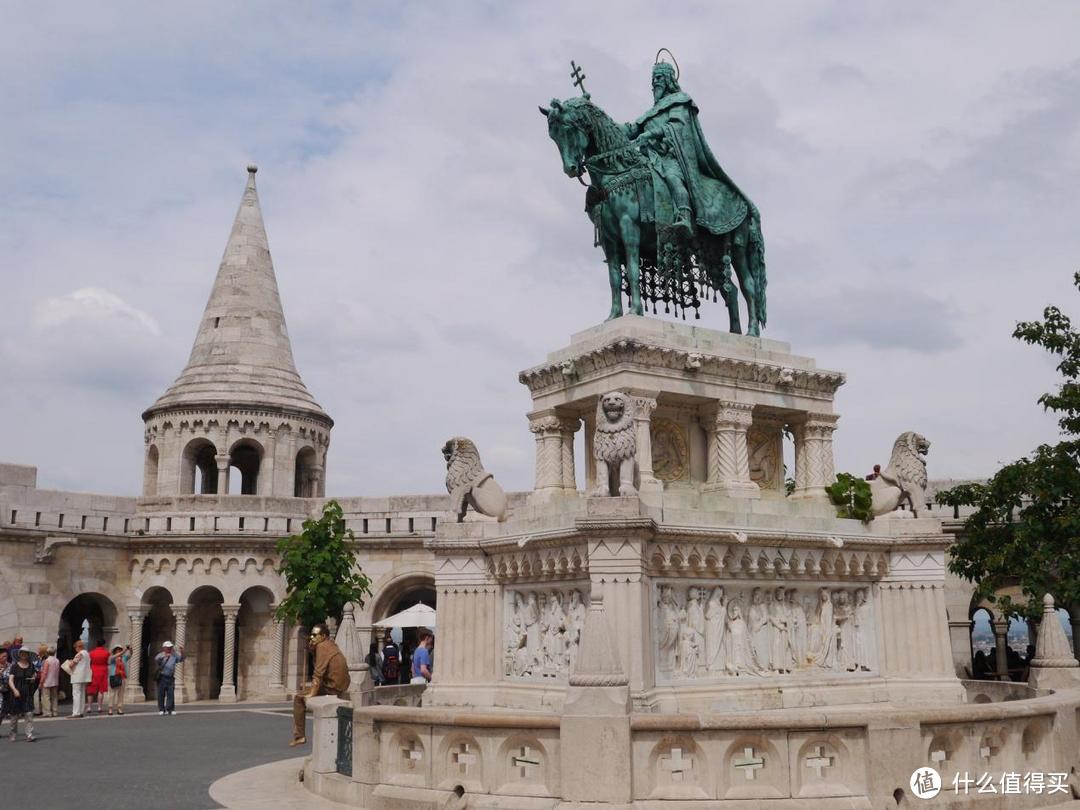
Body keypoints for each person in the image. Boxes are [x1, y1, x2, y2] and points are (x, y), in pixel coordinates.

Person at [290, 623, 349, 747]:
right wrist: (311, 649)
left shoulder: (322, 646)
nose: (312, 637)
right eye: (311, 635)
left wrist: (311, 693)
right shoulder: (330, 645)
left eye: (315, 635)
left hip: (333, 687)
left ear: (323, 636)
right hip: (340, 685)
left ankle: (299, 736)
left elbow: (318, 673)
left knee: (298, 699)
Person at [7, 648, 38, 742]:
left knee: (29, 714)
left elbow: (34, 676)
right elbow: (10, 680)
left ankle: (29, 734)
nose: (24, 654)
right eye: (22, 653)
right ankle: (13, 733)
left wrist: (33, 678)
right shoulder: (14, 666)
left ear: (28, 655)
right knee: (14, 716)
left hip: (27, 693)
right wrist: (14, 690)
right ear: (19, 654)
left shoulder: (31, 666)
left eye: (26, 653)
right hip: (16, 693)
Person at [153, 641, 184, 715]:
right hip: (162, 677)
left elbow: (181, 659)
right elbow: (156, 659)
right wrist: (165, 656)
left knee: (171, 693)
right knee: (161, 693)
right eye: (168, 647)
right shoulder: (161, 655)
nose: (169, 649)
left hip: (170, 677)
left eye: (170, 647)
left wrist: (182, 652)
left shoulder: (174, 655)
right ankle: (161, 709)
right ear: (164, 648)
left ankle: (170, 708)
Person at [68, 639, 92, 718]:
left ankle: (76, 712)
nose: (75, 649)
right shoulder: (87, 653)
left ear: (78, 647)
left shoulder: (79, 654)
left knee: (76, 694)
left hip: (77, 676)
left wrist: (70, 663)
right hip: (84, 676)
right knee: (82, 694)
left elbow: (72, 664)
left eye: (76, 648)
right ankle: (81, 711)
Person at [87, 639, 110, 715]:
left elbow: (88, 662)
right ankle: (99, 707)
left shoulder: (91, 653)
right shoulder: (106, 653)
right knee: (101, 690)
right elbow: (108, 662)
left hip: (93, 670)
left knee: (91, 690)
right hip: (103, 670)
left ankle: (89, 707)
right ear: (103, 645)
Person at [107, 645, 131, 715]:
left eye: (120, 649)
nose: (119, 650)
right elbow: (117, 655)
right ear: (114, 651)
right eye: (117, 649)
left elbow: (130, 655)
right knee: (112, 694)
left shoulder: (124, 658)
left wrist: (130, 649)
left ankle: (119, 708)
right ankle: (110, 708)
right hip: (113, 676)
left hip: (122, 677)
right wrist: (124, 650)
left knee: (121, 694)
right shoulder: (112, 657)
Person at [38, 648, 60, 718]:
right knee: (54, 697)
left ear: (47, 653)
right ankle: (55, 711)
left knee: (45, 697)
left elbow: (44, 672)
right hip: (55, 681)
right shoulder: (57, 660)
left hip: (47, 681)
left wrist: (41, 682)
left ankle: (47, 712)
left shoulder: (47, 661)